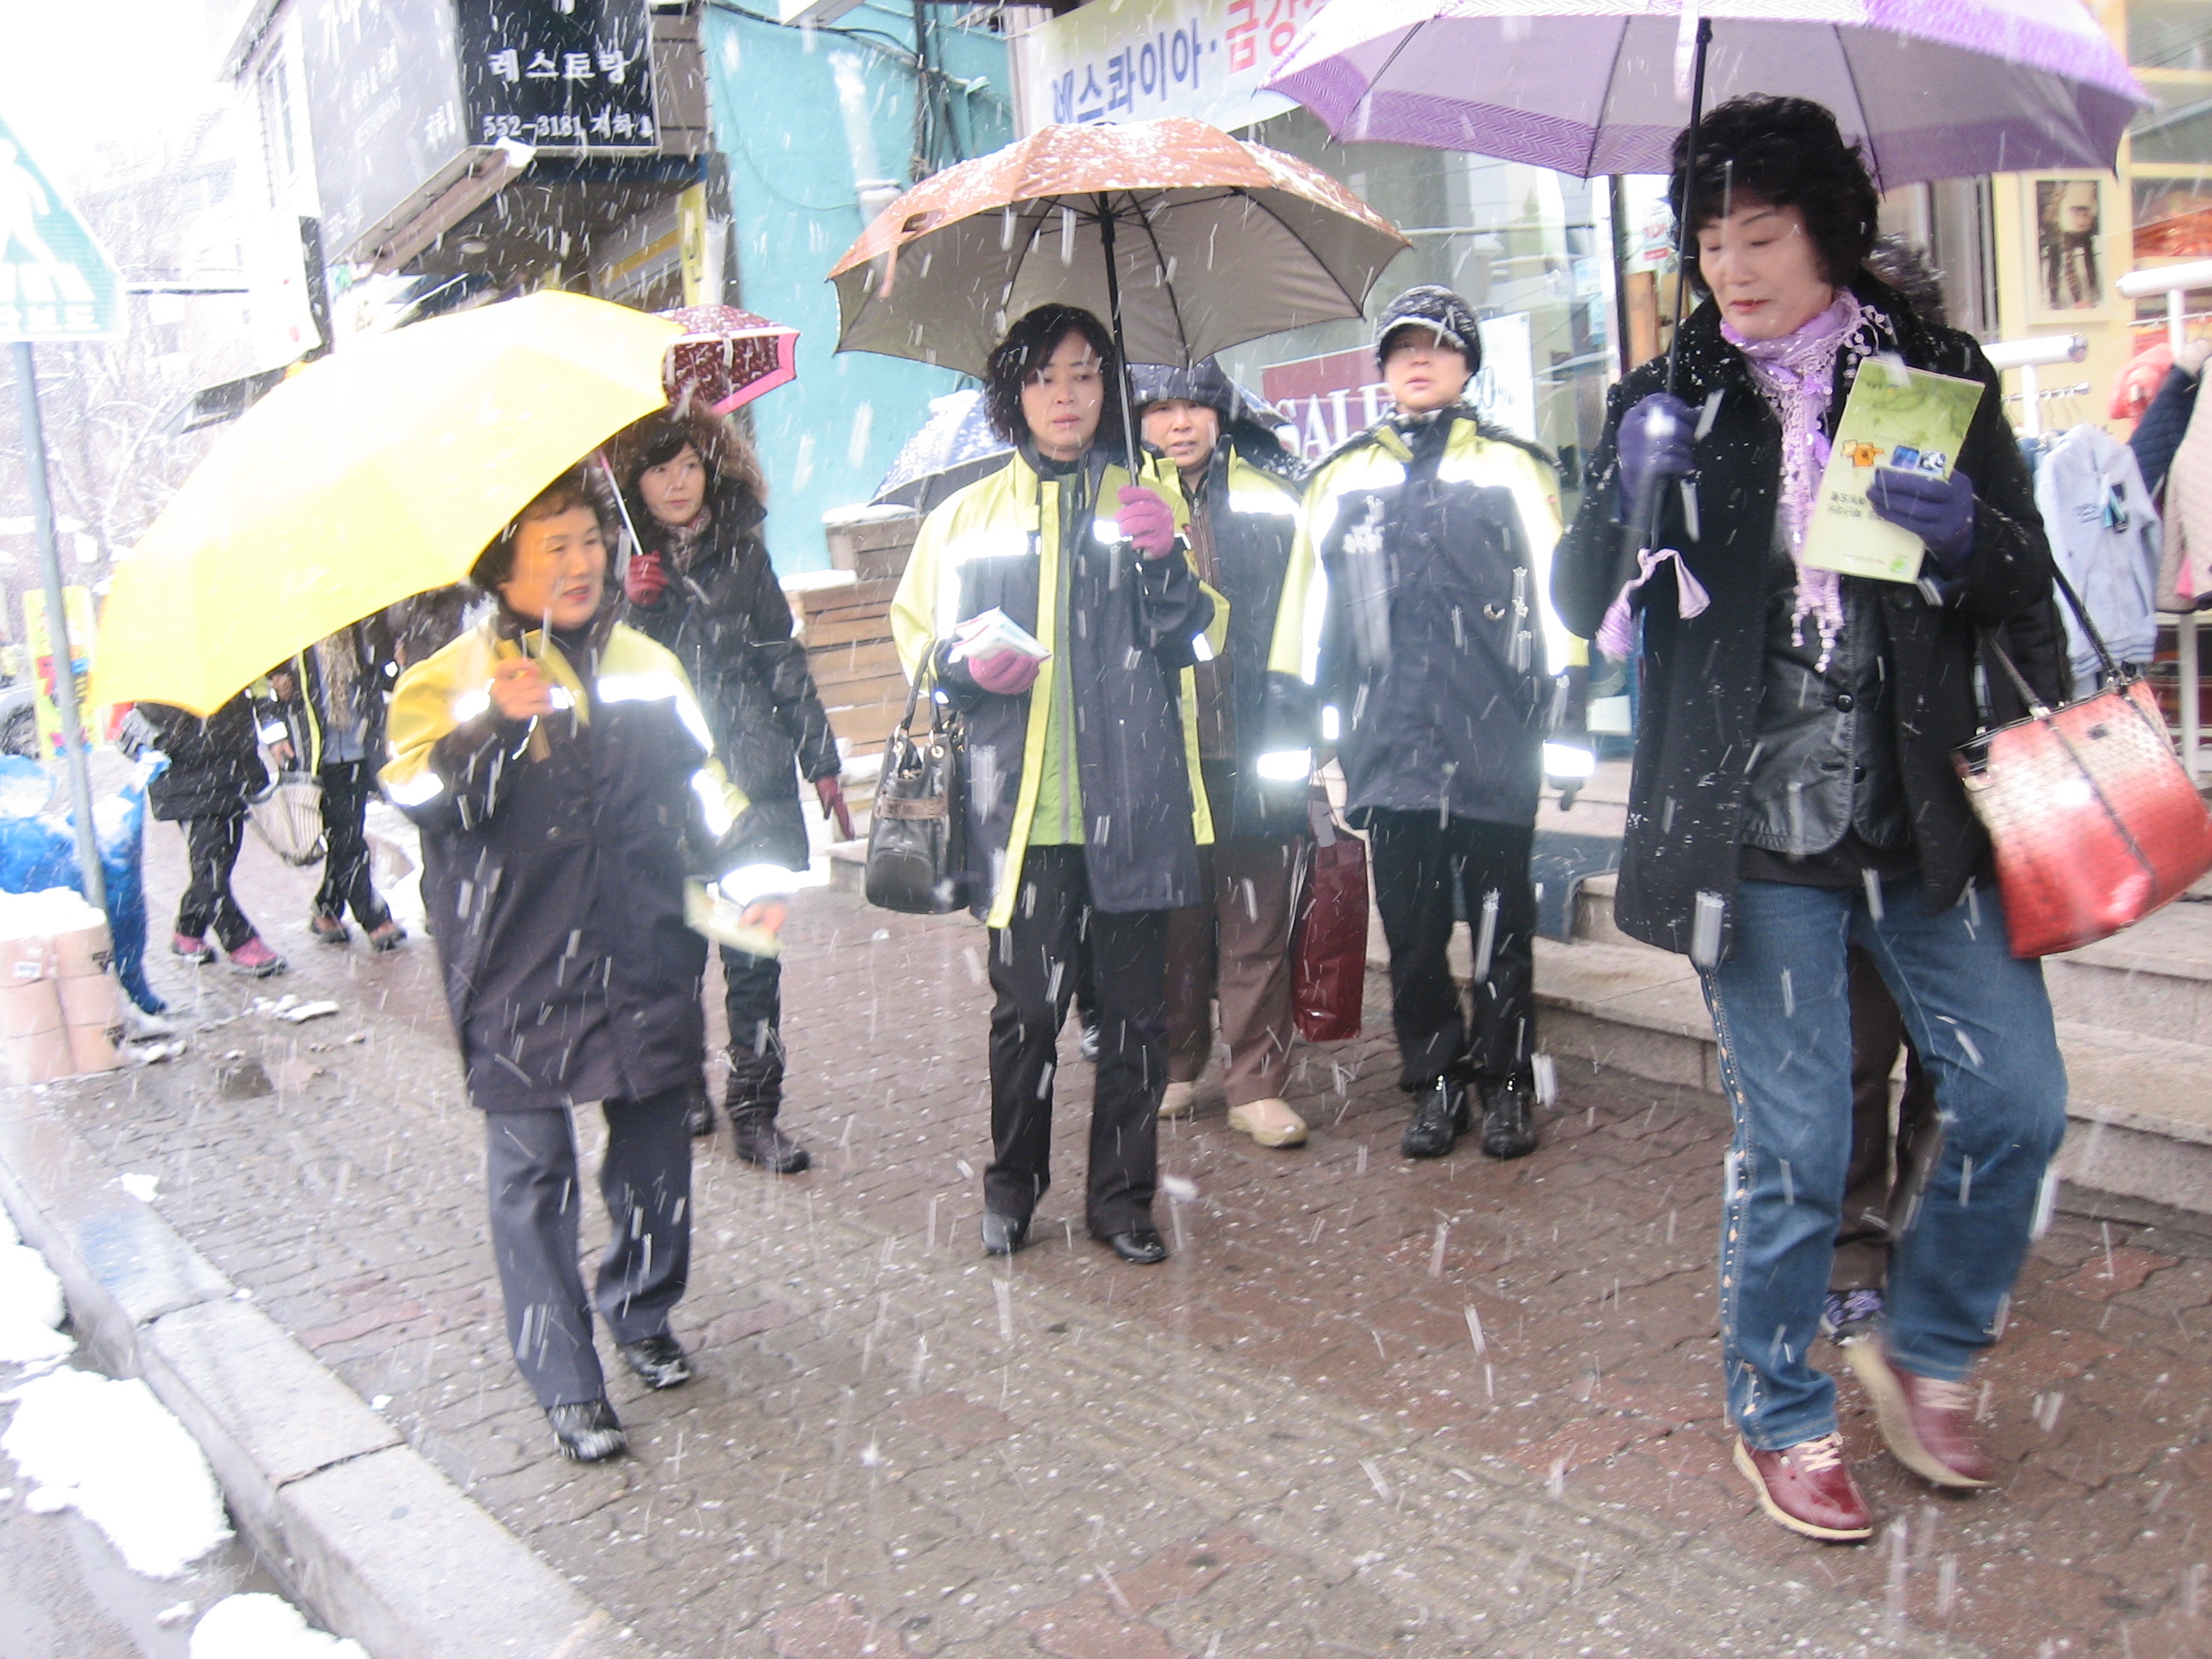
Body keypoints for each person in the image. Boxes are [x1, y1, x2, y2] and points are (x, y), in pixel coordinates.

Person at [1553, 96, 2068, 1543]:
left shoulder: (1933, 374)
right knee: (1793, 1143)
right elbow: (1579, 599)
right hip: (1752, 834)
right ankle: (1777, 1405)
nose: (1731, 268)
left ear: (1828, 232)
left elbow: (2019, 579)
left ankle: (1925, 1339)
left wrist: (1961, 538)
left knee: (2016, 1099)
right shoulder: (1671, 395)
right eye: (1710, 240)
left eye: (1762, 235)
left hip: (1921, 814)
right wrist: (1624, 494)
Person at [382, 471, 783, 1463]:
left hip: (642, 942)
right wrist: (491, 727)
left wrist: (747, 873)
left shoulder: (647, 663)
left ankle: (642, 1310)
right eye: (551, 546)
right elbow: (421, 801)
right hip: (513, 958)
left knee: (655, 1149)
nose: (579, 563)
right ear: (500, 569)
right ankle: (564, 1378)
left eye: (590, 541)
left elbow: (705, 784)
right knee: (533, 1170)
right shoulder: (446, 679)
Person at [890, 304, 1215, 1266]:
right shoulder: (964, 519)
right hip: (1021, 815)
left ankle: (1122, 1200)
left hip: (1135, 804)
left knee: (1136, 1024)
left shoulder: (1147, 500)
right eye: (1041, 377)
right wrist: (958, 666)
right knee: (1026, 1017)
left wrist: (1166, 562)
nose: (1064, 395)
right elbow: (919, 643)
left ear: (1108, 387)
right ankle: (1011, 1187)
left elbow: (1199, 644)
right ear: (1012, 395)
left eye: (1083, 374)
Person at [1261, 285, 1590, 1163]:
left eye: (1440, 346)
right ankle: (1435, 1080)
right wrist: (1297, 715)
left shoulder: (1514, 467)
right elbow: (1306, 610)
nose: (1420, 360)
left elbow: (1558, 599)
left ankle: (1507, 1082)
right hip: (1389, 744)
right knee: (1411, 935)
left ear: (1467, 365)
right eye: (1404, 347)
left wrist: (1567, 710)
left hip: (1495, 737)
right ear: (1382, 368)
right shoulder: (1339, 477)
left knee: (1501, 929)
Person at [614, 407, 844, 1172]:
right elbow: (603, 679)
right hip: (667, 786)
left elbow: (782, 658)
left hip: (752, 783)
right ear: (636, 484)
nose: (677, 483)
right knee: (673, 956)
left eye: (688, 465)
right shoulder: (620, 569)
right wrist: (632, 609)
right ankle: (684, 1081)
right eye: (659, 470)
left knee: (753, 957)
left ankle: (755, 1110)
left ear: (710, 469)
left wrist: (820, 758)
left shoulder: (745, 554)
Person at [1133, 361, 1311, 1150]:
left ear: (1221, 414)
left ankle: (1255, 1082)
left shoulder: (1276, 497)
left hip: (1254, 734)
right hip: (1161, 746)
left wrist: (1301, 717)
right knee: (1172, 919)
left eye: (1195, 407)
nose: (1180, 424)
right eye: (1161, 409)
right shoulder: (1117, 502)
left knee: (1257, 914)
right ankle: (1175, 1064)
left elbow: (1310, 612)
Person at [273, 620, 407, 952]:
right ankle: (373, 916)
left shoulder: (362, 624)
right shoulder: (288, 628)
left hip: (361, 747)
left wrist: (400, 663)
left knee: (346, 831)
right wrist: (275, 732)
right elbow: (263, 692)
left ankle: (326, 907)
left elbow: (383, 675)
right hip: (317, 752)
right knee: (347, 836)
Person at [139, 690, 288, 977]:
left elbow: (258, 694)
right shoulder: (162, 678)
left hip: (233, 770)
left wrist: (272, 736)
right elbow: (157, 723)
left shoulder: (225, 667)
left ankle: (189, 929)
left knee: (222, 858)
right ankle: (239, 940)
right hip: (189, 778)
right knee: (210, 866)